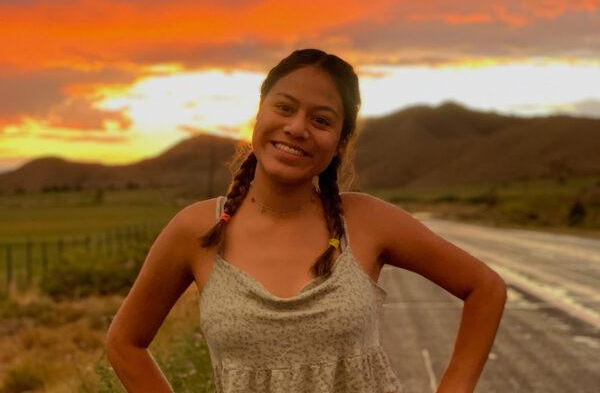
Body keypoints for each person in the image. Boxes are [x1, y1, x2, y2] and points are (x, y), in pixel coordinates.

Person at [106, 48, 507, 393]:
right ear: (259, 113)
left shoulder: (366, 221)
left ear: (339, 141)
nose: (297, 128)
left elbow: (484, 288)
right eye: (284, 107)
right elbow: (125, 343)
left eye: (321, 120)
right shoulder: (197, 230)